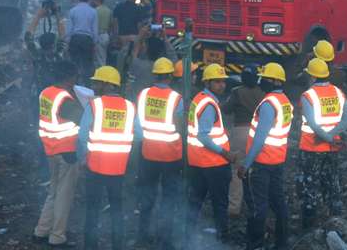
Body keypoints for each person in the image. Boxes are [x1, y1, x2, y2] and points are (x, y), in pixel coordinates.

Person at [77, 66, 139, 250]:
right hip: (119, 169)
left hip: (95, 167)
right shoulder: (130, 107)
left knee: (92, 211)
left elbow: (82, 135)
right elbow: (140, 135)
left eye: (97, 82)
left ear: (106, 84)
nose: (93, 85)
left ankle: (90, 247)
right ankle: (117, 246)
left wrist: (83, 157)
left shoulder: (95, 105)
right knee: (117, 211)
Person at [238, 63, 292, 250]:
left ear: (276, 81)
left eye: (265, 78)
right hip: (277, 161)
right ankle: (282, 243)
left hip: (261, 163)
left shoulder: (269, 104)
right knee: (279, 203)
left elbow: (260, 139)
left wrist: (246, 164)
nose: (261, 81)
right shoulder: (285, 101)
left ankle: (255, 245)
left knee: (257, 207)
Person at [297, 58, 347, 229]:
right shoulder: (338, 92)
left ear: (312, 77)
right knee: (332, 182)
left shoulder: (308, 95)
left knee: (309, 185)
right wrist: (332, 136)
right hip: (333, 148)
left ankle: (309, 225)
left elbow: (313, 124)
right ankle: (336, 223)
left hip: (311, 148)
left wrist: (325, 137)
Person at [135, 58, 184, 247]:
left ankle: (142, 236)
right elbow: (180, 127)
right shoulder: (176, 98)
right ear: (170, 76)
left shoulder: (144, 94)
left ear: (155, 75)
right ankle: (165, 239)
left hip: (148, 153)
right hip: (171, 156)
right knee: (169, 199)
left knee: (147, 196)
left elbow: (138, 123)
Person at [34, 61, 83, 248]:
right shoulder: (65, 99)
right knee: (64, 194)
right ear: (69, 77)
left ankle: (41, 230)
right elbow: (83, 117)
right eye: (75, 77)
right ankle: (57, 236)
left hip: (51, 150)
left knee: (53, 192)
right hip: (67, 151)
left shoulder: (45, 93)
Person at [187, 64, 236, 238]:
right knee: (219, 204)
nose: (222, 85)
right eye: (217, 82)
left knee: (194, 202)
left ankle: (186, 236)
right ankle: (221, 238)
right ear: (207, 83)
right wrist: (225, 153)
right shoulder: (209, 104)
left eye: (223, 81)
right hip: (214, 164)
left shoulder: (199, 99)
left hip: (197, 161)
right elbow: (203, 135)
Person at [223, 66, 266, 218]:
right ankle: (256, 206)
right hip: (258, 133)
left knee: (237, 170)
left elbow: (226, 109)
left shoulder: (237, 92)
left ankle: (234, 207)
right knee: (256, 170)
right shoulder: (263, 94)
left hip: (240, 132)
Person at [112, 0, 149, 76]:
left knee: (121, 56)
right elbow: (139, 25)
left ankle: (119, 74)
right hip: (134, 36)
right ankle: (131, 75)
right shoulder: (138, 8)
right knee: (133, 56)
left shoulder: (119, 6)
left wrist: (116, 35)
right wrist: (141, 40)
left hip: (122, 36)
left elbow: (115, 22)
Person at [66, 0, 99, 80]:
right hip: (87, 40)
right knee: (87, 64)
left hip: (75, 39)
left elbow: (69, 29)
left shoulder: (73, 11)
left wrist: (68, 42)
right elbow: (94, 29)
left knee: (74, 63)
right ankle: (87, 85)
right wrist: (95, 43)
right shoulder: (93, 11)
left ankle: (74, 83)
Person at [91, 0, 113, 67]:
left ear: (97, 0)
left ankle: (101, 74)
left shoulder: (95, 11)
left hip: (98, 36)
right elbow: (111, 25)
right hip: (106, 35)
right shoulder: (109, 10)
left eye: (93, 0)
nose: (92, 2)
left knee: (99, 59)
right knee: (103, 56)